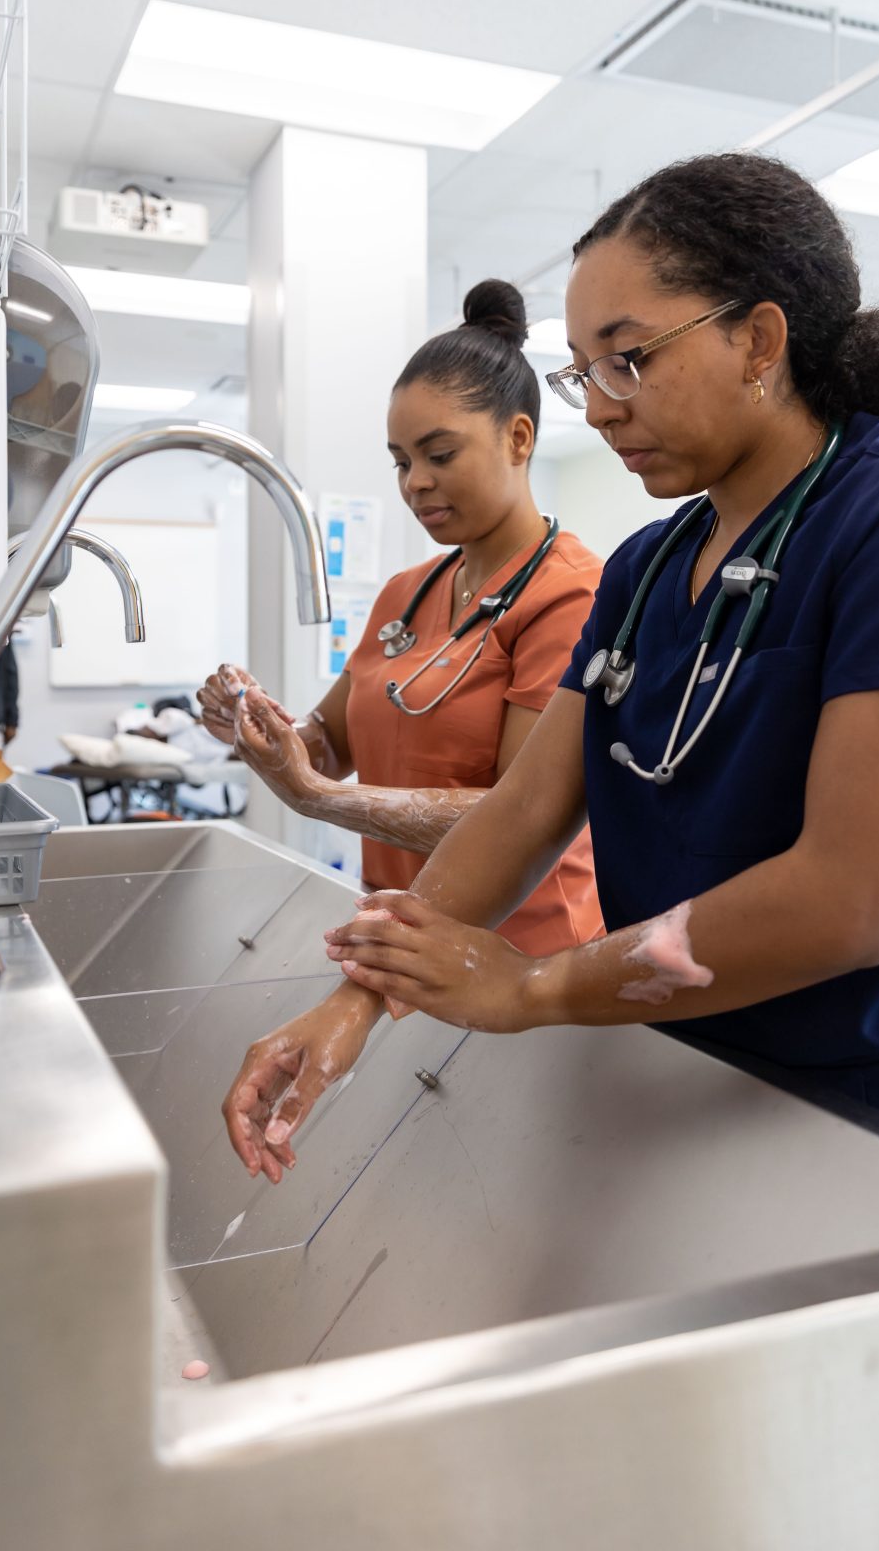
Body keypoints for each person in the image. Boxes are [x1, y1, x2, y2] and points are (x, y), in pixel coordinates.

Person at [317, 152, 879, 1195]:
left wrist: (536, 985)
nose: (596, 408)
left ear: (757, 339)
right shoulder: (646, 567)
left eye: (626, 359)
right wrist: (358, 999)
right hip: (699, 1084)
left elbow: (850, 899)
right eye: (582, 372)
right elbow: (526, 807)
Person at [198, 279, 605, 1182]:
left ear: (520, 438)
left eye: (438, 453)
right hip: (405, 954)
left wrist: (318, 798)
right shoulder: (408, 593)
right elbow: (330, 741)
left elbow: (518, 812)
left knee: (508, 1185)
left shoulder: (570, 596)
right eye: (399, 461)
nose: (415, 483)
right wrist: (260, 723)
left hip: (520, 962)